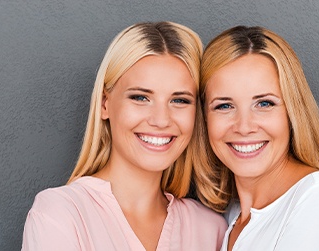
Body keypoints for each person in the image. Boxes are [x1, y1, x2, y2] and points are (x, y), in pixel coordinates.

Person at [22, 21, 227, 251]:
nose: (161, 120)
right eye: (140, 97)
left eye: (179, 100)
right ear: (104, 103)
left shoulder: (212, 230)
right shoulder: (61, 214)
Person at [193, 25, 319, 251]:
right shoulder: (229, 217)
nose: (244, 126)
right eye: (224, 106)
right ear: (205, 119)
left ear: (292, 112)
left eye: (264, 103)